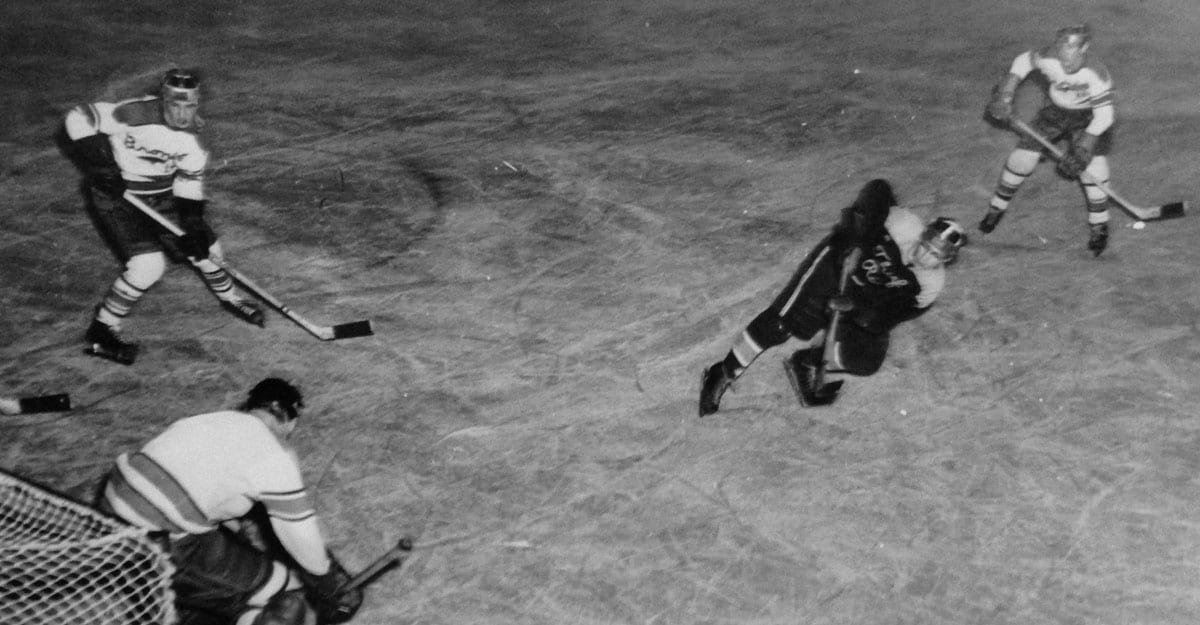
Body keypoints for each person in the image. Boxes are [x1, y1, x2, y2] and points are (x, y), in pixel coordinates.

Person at [97, 378, 363, 625]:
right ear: (289, 419)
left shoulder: (207, 420)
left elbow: (206, 490)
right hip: (156, 540)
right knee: (285, 593)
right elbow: (299, 531)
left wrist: (239, 536)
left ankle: (188, 608)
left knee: (222, 582)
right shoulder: (274, 454)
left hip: (106, 514)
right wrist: (325, 579)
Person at [698, 179, 965, 416]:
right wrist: (858, 241)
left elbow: (891, 315)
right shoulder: (903, 224)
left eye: (935, 255)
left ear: (946, 261)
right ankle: (721, 372)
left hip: (859, 296)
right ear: (924, 233)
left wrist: (859, 311)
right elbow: (876, 191)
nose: (925, 255)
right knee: (782, 324)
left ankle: (807, 364)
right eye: (926, 244)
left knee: (863, 358)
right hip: (835, 266)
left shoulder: (930, 285)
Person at [59, 68, 264, 366]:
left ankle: (231, 298)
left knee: (208, 251)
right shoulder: (133, 113)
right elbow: (78, 117)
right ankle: (101, 329)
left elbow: (188, 183)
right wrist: (102, 165)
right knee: (147, 266)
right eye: (175, 106)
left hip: (161, 198)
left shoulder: (192, 142)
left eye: (189, 106)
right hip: (117, 197)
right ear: (162, 101)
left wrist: (192, 225)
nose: (182, 114)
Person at [979, 24, 1116, 256]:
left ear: (1085, 48)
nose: (1065, 64)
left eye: (1071, 56)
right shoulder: (1048, 57)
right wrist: (1006, 92)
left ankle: (1099, 223)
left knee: (1095, 170)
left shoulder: (1097, 74)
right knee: (1021, 160)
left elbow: (1105, 116)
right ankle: (997, 207)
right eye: (1061, 55)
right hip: (1057, 111)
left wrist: (1084, 147)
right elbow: (1024, 62)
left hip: (1089, 117)